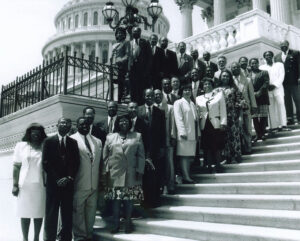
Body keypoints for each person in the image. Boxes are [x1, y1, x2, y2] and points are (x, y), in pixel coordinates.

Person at [103, 114, 145, 233]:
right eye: (121, 121)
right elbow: (105, 157)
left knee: (129, 200)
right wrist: (106, 172)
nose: (123, 123)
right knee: (116, 200)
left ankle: (128, 223)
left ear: (129, 123)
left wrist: (140, 171)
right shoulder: (110, 137)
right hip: (114, 174)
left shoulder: (137, 136)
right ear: (117, 124)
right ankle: (116, 224)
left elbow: (141, 156)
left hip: (131, 173)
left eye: (126, 121)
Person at [43, 118, 80, 241]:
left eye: (67, 123)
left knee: (67, 215)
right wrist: (57, 179)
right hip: (53, 185)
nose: (65, 125)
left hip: (68, 185)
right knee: (51, 214)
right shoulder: (48, 141)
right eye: (62, 123)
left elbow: (76, 162)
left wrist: (69, 177)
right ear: (57, 125)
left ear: (70, 127)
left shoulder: (73, 143)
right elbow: (46, 163)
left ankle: (66, 238)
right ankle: (50, 238)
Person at [12, 123, 47, 241]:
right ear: (29, 133)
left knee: (38, 213)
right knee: (24, 212)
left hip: (40, 185)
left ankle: (36, 237)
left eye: (38, 133)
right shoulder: (21, 146)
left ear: (41, 134)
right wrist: (15, 185)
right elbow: (16, 166)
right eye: (33, 132)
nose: (35, 135)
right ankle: (25, 238)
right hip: (25, 186)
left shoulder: (45, 145)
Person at [70, 117, 102, 241]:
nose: (84, 126)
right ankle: (79, 236)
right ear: (77, 125)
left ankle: (88, 235)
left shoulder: (97, 141)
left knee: (91, 212)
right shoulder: (71, 140)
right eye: (81, 124)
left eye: (87, 124)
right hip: (79, 183)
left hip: (94, 183)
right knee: (77, 212)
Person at [137, 89, 165, 208]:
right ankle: (143, 201)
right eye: (147, 95)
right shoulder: (138, 110)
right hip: (141, 147)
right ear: (144, 97)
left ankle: (154, 200)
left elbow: (163, 130)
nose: (150, 97)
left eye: (152, 96)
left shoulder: (159, 112)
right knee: (142, 175)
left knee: (154, 174)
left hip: (155, 148)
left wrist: (162, 147)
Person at [196, 78, 227, 173]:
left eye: (209, 84)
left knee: (217, 145)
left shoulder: (219, 95)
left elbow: (223, 110)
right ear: (202, 87)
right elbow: (197, 113)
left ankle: (218, 165)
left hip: (215, 123)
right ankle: (208, 166)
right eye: (205, 84)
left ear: (212, 85)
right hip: (204, 124)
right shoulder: (198, 98)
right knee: (206, 147)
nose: (207, 86)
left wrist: (223, 122)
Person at [173, 84, 200, 183]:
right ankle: (185, 176)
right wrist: (182, 131)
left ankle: (187, 175)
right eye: (185, 90)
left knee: (189, 156)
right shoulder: (178, 102)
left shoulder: (192, 103)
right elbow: (178, 118)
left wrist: (198, 134)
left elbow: (195, 120)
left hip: (193, 134)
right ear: (182, 92)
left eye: (189, 90)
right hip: (184, 134)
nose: (187, 92)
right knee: (184, 156)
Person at [217, 70, 245, 163]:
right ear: (220, 77)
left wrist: (240, 116)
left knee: (234, 136)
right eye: (223, 76)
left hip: (233, 116)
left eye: (227, 76)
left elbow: (241, 101)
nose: (225, 77)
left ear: (230, 78)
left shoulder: (234, 88)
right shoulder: (216, 90)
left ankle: (236, 156)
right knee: (224, 137)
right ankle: (227, 157)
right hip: (221, 117)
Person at [231, 62, 257, 154]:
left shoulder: (247, 80)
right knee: (238, 130)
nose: (235, 69)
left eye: (237, 67)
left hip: (246, 108)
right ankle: (240, 149)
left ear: (240, 68)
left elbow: (251, 95)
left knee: (247, 128)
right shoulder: (230, 81)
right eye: (233, 67)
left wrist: (254, 106)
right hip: (235, 110)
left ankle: (248, 147)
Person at [154, 89, 176, 194]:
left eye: (159, 94)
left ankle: (170, 186)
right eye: (155, 94)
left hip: (167, 141)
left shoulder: (170, 108)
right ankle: (159, 187)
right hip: (156, 143)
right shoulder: (151, 108)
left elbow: (173, 124)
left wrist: (173, 137)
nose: (157, 96)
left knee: (169, 164)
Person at [260, 51, 287, 132]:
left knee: (281, 105)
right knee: (271, 107)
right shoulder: (262, 67)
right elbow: (261, 79)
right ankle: (274, 126)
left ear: (272, 56)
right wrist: (267, 86)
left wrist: (275, 85)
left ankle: (283, 124)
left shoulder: (279, 65)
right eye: (266, 55)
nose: (268, 57)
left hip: (278, 88)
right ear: (264, 57)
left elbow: (282, 76)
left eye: (269, 55)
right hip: (268, 90)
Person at [275, 40, 300, 125]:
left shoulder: (295, 53)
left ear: (288, 45)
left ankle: (299, 117)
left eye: (285, 44)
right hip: (283, 83)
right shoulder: (277, 57)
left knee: (297, 100)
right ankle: (290, 118)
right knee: (287, 101)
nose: (283, 46)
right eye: (281, 45)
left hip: (294, 81)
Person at [128, 27, 152, 105]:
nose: (136, 33)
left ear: (140, 33)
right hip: (132, 71)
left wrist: (147, 71)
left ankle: (142, 104)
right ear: (132, 33)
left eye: (137, 31)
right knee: (133, 89)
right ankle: (133, 104)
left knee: (142, 89)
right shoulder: (129, 43)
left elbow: (149, 58)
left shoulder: (145, 43)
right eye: (134, 31)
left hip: (142, 71)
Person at [248, 58, 270, 140]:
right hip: (253, 99)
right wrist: (252, 94)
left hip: (263, 97)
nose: (254, 65)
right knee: (255, 117)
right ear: (249, 65)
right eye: (252, 63)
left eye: (255, 63)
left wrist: (259, 92)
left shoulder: (264, 72)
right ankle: (258, 134)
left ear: (258, 64)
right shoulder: (248, 75)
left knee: (263, 116)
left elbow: (266, 83)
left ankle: (262, 133)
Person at [111, 27, 130, 102]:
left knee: (121, 83)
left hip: (122, 67)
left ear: (124, 35)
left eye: (121, 33)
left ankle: (120, 99)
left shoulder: (126, 43)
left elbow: (128, 55)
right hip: (114, 66)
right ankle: (112, 98)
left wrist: (121, 60)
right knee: (111, 82)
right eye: (118, 33)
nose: (119, 34)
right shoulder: (114, 45)